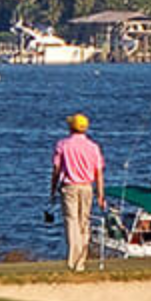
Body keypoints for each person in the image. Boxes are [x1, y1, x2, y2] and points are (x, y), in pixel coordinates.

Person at [50, 113, 105, 272]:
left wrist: (52, 190)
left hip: (69, 187)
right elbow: (99, 173)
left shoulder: (63, 145)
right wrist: (101, 195)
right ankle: (80, 260)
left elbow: (56, 169)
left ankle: (74, 260)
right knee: (84, 223)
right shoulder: (93, 147)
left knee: (72, 222)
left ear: (71, 127)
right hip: (87, 187)